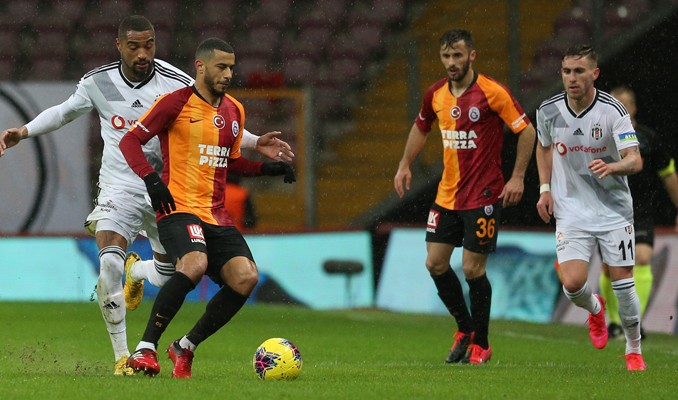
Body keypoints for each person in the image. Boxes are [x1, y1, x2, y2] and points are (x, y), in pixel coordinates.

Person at [0, 15, 293, 376]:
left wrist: (254, 141)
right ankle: (124, 357)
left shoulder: (175, 82)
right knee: (108, 263)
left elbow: (214, 118)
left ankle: (136, 272)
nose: (143, 53)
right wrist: (23, 132)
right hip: (120, 187)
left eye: (149, 45)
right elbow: (64, 112)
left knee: (173, 276)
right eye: (135, 46)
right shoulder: (98, 82)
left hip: (170, 190)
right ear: (119, 45)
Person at [120, 37, 295, 378]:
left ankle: (184, 346)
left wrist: (266, 167)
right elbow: (130, 140)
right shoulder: (175, 103)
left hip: (216, 214)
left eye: (231, 67)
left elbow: (229, 163)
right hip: (178, 207)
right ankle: (146, 348)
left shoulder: (235, 110)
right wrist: (152, 179)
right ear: (200, 66)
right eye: (221, 66)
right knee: (195, 263)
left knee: (246, 278)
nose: (228, 73)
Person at [393, 29, 536, 365]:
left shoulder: (491, 92)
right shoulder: (436, 94)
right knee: (435, 263)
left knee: (473, 269)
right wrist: (404, 164)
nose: (452, 63)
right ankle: (465, 328)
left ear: (472, 55)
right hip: (447, 196)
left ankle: (482, 344)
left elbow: (526, 130)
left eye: (458, 56)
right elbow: (421, 126)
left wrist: (517, 177)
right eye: (446, 56)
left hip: (484, 195)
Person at [535, 45, 645, 371]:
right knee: (572, 283)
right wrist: (544, 189)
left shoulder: (614, 111)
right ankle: (595, 309)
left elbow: (635, 160)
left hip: (613, 209)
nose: (572, 78)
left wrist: (613, 167)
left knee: (623, 282)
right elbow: (544, 148)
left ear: (594, 73)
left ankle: (633, 348)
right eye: (567, 71)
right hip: (571, 208)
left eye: (579, 71)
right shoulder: (548, 110)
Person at [599, 86, 678, 339]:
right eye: (614, 104)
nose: (619, 108)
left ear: (633, 108)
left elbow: (668, 175)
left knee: (642, 258)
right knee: (610, 267)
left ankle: (633, 322)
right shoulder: (598, 137)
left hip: (640, 210)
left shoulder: (648, 139)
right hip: (608, 210)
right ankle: (613, 322)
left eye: (624, 104)